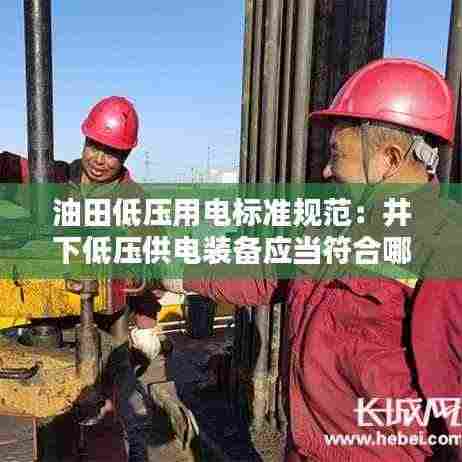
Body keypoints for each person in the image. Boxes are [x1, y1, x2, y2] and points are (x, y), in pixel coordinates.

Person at [152, 59, 461, 461]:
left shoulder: (444, 249)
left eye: (338, 153)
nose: (327, 169)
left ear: (388, 159)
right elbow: (265, 272)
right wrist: (178, 272)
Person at [0, 96, 170, 361]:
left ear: (125, 155)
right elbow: (12, 168)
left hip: (107, 324)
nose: (99, 160)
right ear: (85, 141)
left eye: (111, 152)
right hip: (46, 315)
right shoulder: (54, 178)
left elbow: (154, 270)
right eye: (94, 146)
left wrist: (146, 325)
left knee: (112, 379)